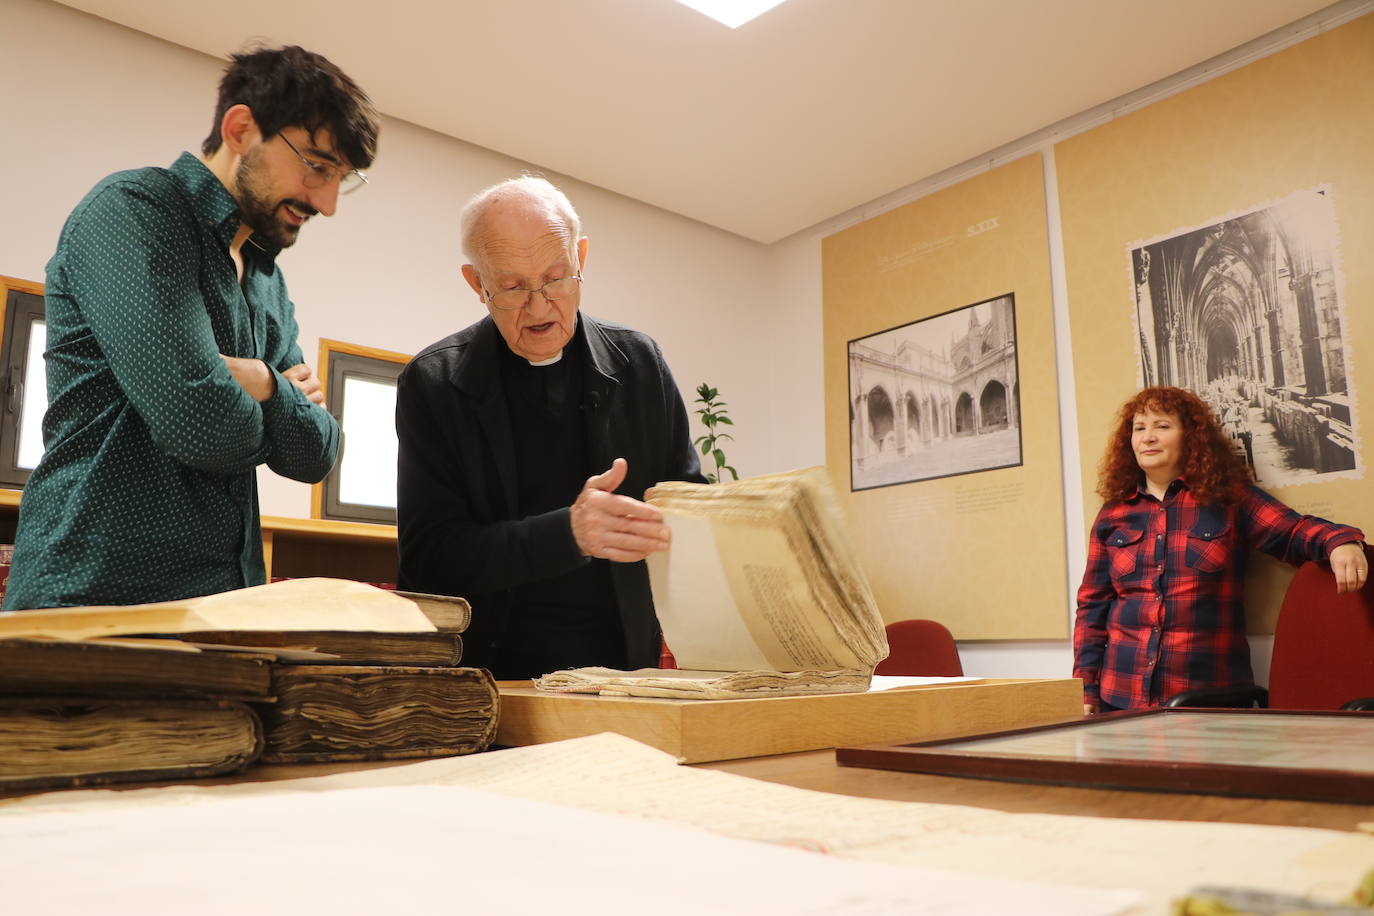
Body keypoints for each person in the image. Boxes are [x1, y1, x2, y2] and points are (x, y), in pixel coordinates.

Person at [3, 46, 379, 610]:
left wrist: (262, 382)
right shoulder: (133, 211)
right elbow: (201, 425)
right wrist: (277, 401)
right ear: (241, 129)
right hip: (94, 601)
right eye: (318, 166)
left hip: (222, 607)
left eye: (341, 179)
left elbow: (317, 455)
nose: (327, 203)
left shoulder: (267, 278)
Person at [395, 175, 705, 678]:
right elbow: (428, 560)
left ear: (580, 258)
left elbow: (687, 504)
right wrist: (569, 533)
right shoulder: (434, 383)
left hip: (623, 675)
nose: (539, 307)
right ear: (477, 283)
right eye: (512, 287)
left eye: (556, 278)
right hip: (491, 678)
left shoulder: (640, 365)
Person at [1074, 386, 1366, 713]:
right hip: (1121, 700)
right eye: (1139, 428)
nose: (1148, 437)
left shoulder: (1228, 499)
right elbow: (1092, 606)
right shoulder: (1113, 514)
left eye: (1162, 426)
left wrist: (1340, 542)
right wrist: (1086, 689)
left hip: (1208, 703)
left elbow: (1294, 531)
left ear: (1190, 436)